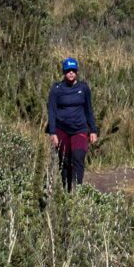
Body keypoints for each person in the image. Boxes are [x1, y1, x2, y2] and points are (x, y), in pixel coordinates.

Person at [44, 57, 97, 189]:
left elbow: (89, 110)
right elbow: (51, 111)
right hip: (61, 129)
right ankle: (66, 188)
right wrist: (52, 132)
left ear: (77, 71)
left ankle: (78, 188)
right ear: (64, 72)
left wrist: (93, 130)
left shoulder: (83, 88)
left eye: (73, 70)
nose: (71, 73)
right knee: (65, 161)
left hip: (79, 129)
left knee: (78, 157)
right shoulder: (56, 89)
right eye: (68, 70)